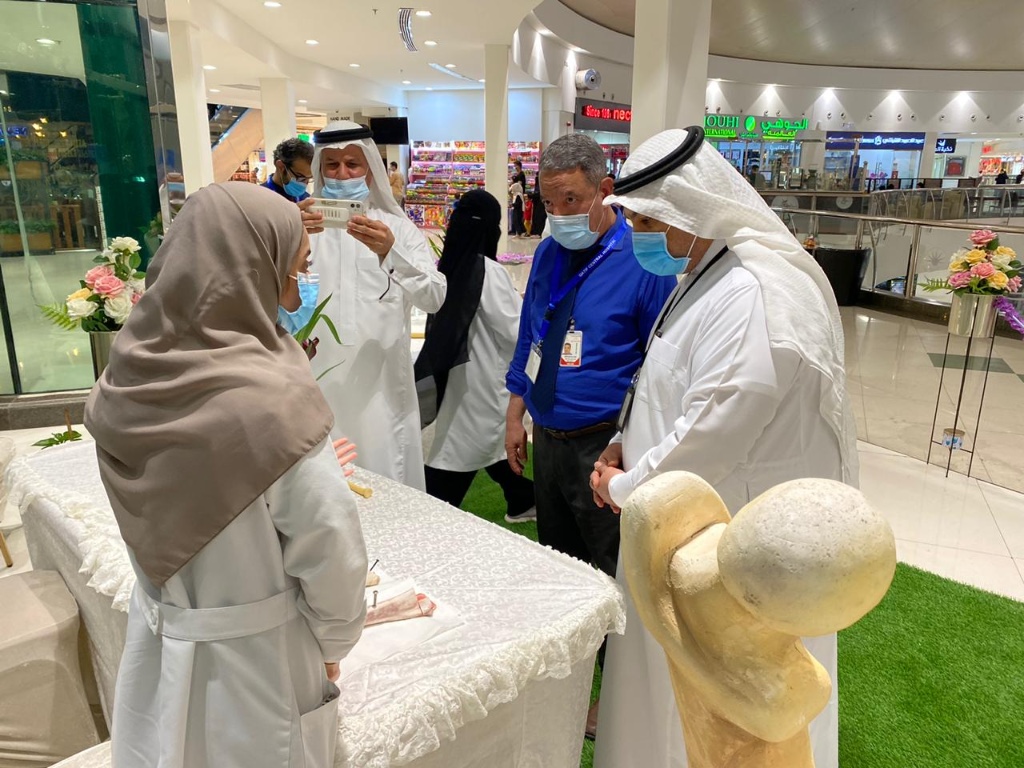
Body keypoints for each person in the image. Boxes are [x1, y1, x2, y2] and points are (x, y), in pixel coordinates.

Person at [587, 126, 858, 768]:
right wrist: (624, 441)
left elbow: (715, 429)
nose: (635, 233)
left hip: (731, 542)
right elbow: (665, 378)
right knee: (663, 693)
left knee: (725, 715)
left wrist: (622, 487)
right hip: (674, 520)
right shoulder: (709, 271)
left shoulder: (754, 292)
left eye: (645, 220)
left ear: (689, 211)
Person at [85, 182, 368, 768]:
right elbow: (330, 547)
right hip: (258, 662)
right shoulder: (271, 401)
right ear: (249, 270)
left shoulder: (127, 376)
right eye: (294, 270)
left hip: (160, 638)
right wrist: (334, 640)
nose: (296, 292)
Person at [505, 132, 676, 585]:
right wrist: (515, 415)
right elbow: (530, 335)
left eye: (571, 200)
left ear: (605, 191)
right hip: (548, 438)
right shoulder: (547, 253)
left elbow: (658, 365)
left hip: (603, 444)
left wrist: (632, 446)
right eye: (549, 203)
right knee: (559, 563)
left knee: (614, 566)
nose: (559, 214)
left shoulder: (641, 260)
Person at [298, 120, 446, 491]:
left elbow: (434, 297)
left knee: (386, 481)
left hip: (381, 387)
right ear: (319, 169)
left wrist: (390, 252)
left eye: (353, 164)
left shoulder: (399, 229)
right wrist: (287, 236)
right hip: (315, 382)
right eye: (332, 165)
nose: (342, 173)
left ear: (369, 170)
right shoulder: (301, 226)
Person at [416, 189, 536, 522]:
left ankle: (522, 499)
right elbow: (513, 331)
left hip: (462, 378)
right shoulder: (487, 271)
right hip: (486, 380)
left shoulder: (450, 266)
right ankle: (429, 515)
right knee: (461, 451)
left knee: (480, 444)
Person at [265, 137, 315, 202]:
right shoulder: (260, 197)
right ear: (281, 167)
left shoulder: (306, 199)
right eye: (301, 178)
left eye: (309, 178)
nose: (305, 184)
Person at [529, 173, 546, 237]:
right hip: (538, 204)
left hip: (540, 205)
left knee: (539, 218)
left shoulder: (541, 186)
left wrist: (531, 196)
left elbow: (538, 194)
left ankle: (539, 232)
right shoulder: (540, 185)